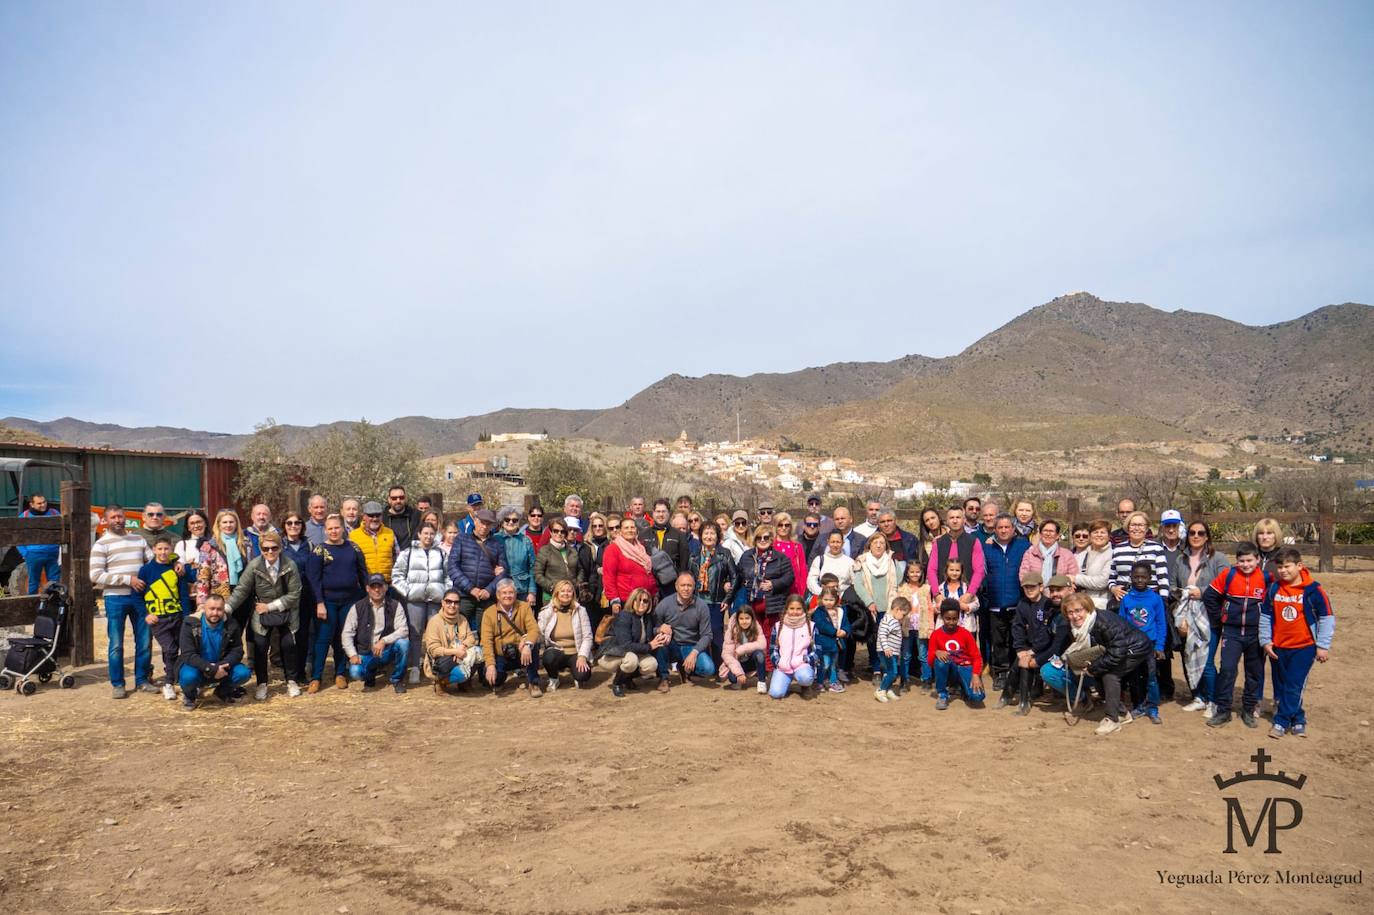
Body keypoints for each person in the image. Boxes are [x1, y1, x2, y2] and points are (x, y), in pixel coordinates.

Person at [1261, 547, 1335, 739]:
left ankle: (1281, 721)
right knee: (1281, 685)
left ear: (1299, 565)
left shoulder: (1313, 590)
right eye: (1280, 567)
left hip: (1304, 647)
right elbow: (1266, 615)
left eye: (1287, 566)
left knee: (1294, 684)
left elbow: (1327, 618)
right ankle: (1299, 719)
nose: (1283, 571)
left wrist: (1322, 646)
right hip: (1278, 647)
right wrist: (1266, 640)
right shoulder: (1274, 589)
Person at [1060, 591, 1153, 735]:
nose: (1075, 616)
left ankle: (1113, 719)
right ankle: (1122, 713)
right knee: (1099, 673)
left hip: (1136, 647)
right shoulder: (1080, 626)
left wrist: (1094, 667)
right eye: (1070, 612)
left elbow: (1117, 654)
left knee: (1110, 674)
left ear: (1088, 608)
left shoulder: (1103, 622)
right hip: (1117, 649)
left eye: (1078, 610)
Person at [227, 531, 303, 701]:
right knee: (260, 647)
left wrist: (269, 606)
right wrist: (226, 608)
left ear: (280, 548)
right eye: (265, 548)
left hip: (285, 610)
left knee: (288, 645)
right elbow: (241, 590)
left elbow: (295, 593)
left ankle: (291, 680)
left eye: (274, 548)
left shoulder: (290, 565)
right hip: (261, 613)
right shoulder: (254, 566)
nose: (270, 552)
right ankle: (262, 683)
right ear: (260, 549)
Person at [91, 504, 155, 699]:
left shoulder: (138, 539)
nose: (118, 520)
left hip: (140, 598)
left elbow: (152, 561)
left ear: (125, 518)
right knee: (116, 644)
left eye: (120, 517)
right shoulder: (101, 544)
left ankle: (142, 680)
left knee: (144, 641)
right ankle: (118, 683)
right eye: (113, 518)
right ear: (105, 520)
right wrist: (128, 579)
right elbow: (95, 575)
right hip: (115, 598)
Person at [1203, 543, 1269, 729]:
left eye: (1250, 560)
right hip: (1231, 633)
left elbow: (1273, 602)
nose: (1246, 565)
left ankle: (1248, 710)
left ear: (1258, 559)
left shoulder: (1266, 578)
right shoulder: (1229, 575)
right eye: (1242, 561)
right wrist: (1219, 618)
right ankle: (1223, 710)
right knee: (1227, 670)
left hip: (1255, 634)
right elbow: (1209, 596)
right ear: (1236, 561)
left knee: (1254, 672)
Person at [1173, 521, 1229, 714]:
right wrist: (1181, 613)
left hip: (1209, 615)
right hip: (1186, 613)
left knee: (1207, 659)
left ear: (1207, 537)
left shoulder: (1218, 558)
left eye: (1200, 533)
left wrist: (1202, 592)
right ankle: (1199, 696)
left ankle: (1214, 700)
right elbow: (1173, 586)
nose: (1196, 536)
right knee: (1190, 656)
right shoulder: (1181, 559)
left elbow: (1226, 584)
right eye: (1192, 533)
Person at [311, 514, 369, 692]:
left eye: (337, 527)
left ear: (343, 528)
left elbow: (362, 573)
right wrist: (319, 602)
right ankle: (316, 677)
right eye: (330, 528)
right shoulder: (319, 550)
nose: (333, 531)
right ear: (325, 530)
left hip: (350, 600)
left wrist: (366, 593)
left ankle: (340, 673)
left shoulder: (353, 548)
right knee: (323, 638)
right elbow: (314, 579)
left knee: (343, 637)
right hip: (327, 600)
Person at [979, 514, 1031, 693]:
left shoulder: (1024, 546)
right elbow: (982, 572)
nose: (1003, 530)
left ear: (1013, 528)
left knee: (1017, 640)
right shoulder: (987, 548)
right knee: (998, 640)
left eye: (1007, 527)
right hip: (994, 602)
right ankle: (1000, 673)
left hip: (1017, 603)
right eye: (999, 527)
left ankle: (1015, 674)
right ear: (995, 529)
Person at [393, 522, 448, 685]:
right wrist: (408, 591)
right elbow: (397, 575)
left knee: (434, 635)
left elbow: (448, 575)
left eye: (431, 533)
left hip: (435, 600)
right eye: (425, 533)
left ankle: (433, 667)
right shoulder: (408, 553)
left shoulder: (441, 553)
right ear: (419, 534)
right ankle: (415, 667)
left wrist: (444, 592)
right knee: (415, 634)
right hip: (415, 600)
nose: (428, 536)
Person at [176, 594, 252, 709]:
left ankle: (222, 691)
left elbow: (237, 651)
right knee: (188, 676)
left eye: (219, 609)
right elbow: (188, 654)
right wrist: (210, 669)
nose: (215, 613)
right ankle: (190, 696)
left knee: (243, 673)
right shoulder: (190, 624)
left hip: (222, 668)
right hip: (197, 667)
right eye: (211, 609)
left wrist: (219, 666)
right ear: (204, 609)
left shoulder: (231, 624)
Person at [1010, 574, 1071, 715]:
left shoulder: (1068, 611)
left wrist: (1035, 660)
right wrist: (1028, 650)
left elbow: (1057, 647)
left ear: (1070, 589)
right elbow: (1045, 634)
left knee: (1043, 669)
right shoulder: (1053, 610)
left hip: (1072, 658)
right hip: (1055, 653)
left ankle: (1081, 698)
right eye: (1053, 590)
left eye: (1059, 590)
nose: (1055, 594)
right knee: (1024, 659)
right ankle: (1022, 700)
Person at [139, 534, 191, 701]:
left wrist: (186, 615)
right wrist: (146, 614)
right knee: (170, 649)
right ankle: (168, 683)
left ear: (171, 549)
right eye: (159, 549)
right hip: (158, 619)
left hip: (176, 616)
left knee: (178, 649)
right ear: (153, 550)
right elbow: (136, 595)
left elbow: (183, 594)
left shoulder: (176, 569)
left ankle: (176, 679)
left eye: (166, 549)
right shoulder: (146, 570)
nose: (163, 552)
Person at [342, 574, 410, 693]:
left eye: (380, 586)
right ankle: (370, 676)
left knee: (404, 644)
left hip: (387, 651)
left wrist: (384, 641)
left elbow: (403, 630)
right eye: (373, 587)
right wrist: (352, 654)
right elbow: (347, 633)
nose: (377, 590)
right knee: (355, 673)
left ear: (386, 588)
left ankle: (397, 679)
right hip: (366, 652)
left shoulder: (395, 605)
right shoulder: (358, 607)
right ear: (368, 588)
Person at [1119, 560, 1168, 724]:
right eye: (1136, 577)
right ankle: (1138, 705)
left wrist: (1160, 646)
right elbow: (1121, 623)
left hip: (1150, 645)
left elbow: (1161, 623)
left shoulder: (1155, 599)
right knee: (1134, 677)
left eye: (1143, 577)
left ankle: (1153, 708)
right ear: (1131, 577)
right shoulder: (1126, 599)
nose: (1140, 580)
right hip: (1132, 646)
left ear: (1150, 578)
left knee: (1151, 676)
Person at [735, 525, 795, 657]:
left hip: (772, 604)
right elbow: (738, 575)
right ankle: (758, 664)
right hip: (752, 603)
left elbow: (789, 577)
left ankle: (770, 665)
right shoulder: (747, 556)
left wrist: (774, 584)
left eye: (766, 537)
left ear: (771, 539)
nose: (762, 540)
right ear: (754, 539)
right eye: (759, 538)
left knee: (770, 635)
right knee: (754, 635)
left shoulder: (780, 558)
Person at [854, 532, 906, 681]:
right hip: (870, 607)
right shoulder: (861, 561)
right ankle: (876, 669)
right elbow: (858, 584)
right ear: (869, 544)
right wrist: (869, 602)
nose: (878, 545)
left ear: (886, 546)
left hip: (889, 607)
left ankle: (887, 669)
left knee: (889, 639)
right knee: (873, 639)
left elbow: (898, 581)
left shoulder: (892, 561)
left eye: (882, 543)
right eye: (875, 542)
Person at [651, 572, 716, 690]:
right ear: (676, 586)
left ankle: (686, 669)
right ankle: (664, 678)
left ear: (694, 587)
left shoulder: (701, 606)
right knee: (661, 641)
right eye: (683, 585)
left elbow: (707, 635)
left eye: (689, 585)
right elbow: (652, 627)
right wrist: (659, 629)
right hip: (672, 645)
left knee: (708, 669)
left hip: (691, 646)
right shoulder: (665, 604)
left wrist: (694, 653)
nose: (686, 589)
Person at [280, 511, 322, 689]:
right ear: (284, 526)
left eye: (297, 523)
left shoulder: (310, 545)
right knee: (287, 637)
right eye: (289, 523)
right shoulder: (279, 546)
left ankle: (301, 672)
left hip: (306, 597)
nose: (293, 526)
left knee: (304, 635)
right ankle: (289, 673)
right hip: (286, 596)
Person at [479, 579, 542, 695]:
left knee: (534, 645)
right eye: (504, 593)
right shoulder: (489, 613)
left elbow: (534, 629)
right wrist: (490, 665)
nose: (508, 596)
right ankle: (498, 681)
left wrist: (528, 644)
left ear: (515, 594)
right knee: (493, 679)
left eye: (511, 592)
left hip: (522, 652)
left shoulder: (524, 607)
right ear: (498, 595)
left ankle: (534, 683)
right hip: (501, 655)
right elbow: (486, 642)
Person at [447, 508, 506, 632]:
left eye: (488, 523)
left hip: (487, 597)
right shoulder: (461, 539)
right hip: (464, 595)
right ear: (475, 521)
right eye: (482, 522)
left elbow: (503, 572)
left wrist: (489, 590)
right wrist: (470, 588)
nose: (484, 526)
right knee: (458, 631)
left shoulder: (497, 544)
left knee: (486, 633)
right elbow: (452, 567)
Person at [596, 587, 663, 697]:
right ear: (632, 601)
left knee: (651, 664)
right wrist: (649, 646)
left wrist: (663, 632)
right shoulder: (624, 616)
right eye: (638, 600)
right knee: (631, 660)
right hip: (612, 655)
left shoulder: (648, 617)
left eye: (645, 601)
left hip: (633, 652)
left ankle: (627, 678)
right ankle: (617, 683)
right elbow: (625, 645)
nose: (641, 603)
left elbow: (654, 631)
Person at [925, 506, 986, 616]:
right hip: (943, 595)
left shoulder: (973, 541)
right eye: (951, 517)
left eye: (958, 517)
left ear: (964, 520)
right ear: (947, 521)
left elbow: (979, 571)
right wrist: (937, 594)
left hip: (965, 596)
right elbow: (931, 570)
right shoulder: (938, 543)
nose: (955, 520)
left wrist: (970, 593)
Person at [692, 522, 737, 665]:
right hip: (697, 601)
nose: (709, 536)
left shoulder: (724, 554)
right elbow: (689, 577)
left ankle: (719, 665)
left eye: (712, 533)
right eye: (706, 533)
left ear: (718, 537)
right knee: (699, 633)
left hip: (717, 601)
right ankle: (704, 665)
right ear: (701, 536)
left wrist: (728, 598)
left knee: (716, 633)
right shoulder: (694, 555)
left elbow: (735, 577)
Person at [537, 579, 594, 690]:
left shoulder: (581, 611)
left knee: (583, 675)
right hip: (557, 651)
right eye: (562, 591)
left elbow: (588, 636)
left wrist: (582, 656)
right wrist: (528, 638)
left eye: (569, 591)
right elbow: (538, 632)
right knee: (548, 658)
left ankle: (576, 674)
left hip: (576, 652)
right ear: (557, 593)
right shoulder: (547, 611)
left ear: (573, 593)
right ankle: (554, 678)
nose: (566, 594)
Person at [931, 598, 986, 710]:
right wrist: (936, 652)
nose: (951, 622)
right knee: (941, 663)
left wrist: (975, 674)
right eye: (948, 619)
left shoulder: (965, 634)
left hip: (965, 667)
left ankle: (962, 688)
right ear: (942, 617)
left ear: (959, 617)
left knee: (977, 697)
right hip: (949, 668)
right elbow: (930, 661)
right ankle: (942, 694)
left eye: (954, 619)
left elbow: (976, 657)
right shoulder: (936, 635)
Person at [424, 589, 483, 692]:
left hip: (460, 653)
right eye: (449, 602)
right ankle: (441, 682)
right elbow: (433, 650)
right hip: (442, 660)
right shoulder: (434, 621)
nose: (452, 605)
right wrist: (454, 652)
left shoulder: (462, 619)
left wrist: (462, 646)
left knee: (480, 653)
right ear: (442, 603)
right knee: (462, 674)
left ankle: (464, 683)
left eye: (456, 602)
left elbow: (471, 638)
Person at [1108, 512, 1170, 608]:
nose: (1136, 528)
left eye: (1141, 525)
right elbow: (1112, 577)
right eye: (1133, 525)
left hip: (1149, 601)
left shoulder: (1156, 548)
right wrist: (1113, 589)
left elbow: (1163, 579)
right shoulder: (1118, 549)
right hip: (1124, 600)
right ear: (1128, 527)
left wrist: (1163, 602)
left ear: (1146, 528)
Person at [195, 509, 254, 609]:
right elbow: (203, 576)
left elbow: (252, 569)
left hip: (243, 594)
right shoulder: (209, 546)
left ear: (236, 524)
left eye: (231, 522)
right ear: (219, 524)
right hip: (219, 596)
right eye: (224, 522)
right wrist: (202, 601)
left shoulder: (246, 543)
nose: (228, 525)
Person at [602, 517, 658, 615]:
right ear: (620, 531)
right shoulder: (613, 549)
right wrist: (614, 600)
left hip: (644, 599)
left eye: (632, 527)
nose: (630, 530)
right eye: (626, 528)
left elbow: (648, 572)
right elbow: (609, 576)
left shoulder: (641, 548)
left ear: (636, 530)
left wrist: (654, 592)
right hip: (626, 600)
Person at [769, 594, 818, 700]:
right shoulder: (778, 626)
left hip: (801, 665)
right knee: (775, 693)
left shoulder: (811, 626)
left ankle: (805, 686)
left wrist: (807, 659)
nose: (795, 612)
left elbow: (817, 649)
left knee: (805, 678)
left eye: (798, 609)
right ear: (786, 609)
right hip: (783, 667)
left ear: (804, 609)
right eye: (791, 608)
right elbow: (773, 649)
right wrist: (777, 661)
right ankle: (783, 681)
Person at [897, 561, 934, 690]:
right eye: (912, 572)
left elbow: (930, 608)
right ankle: (904, 680)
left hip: (921, 626)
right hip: (906, 626)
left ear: (921, 573)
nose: (915, 574)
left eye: (917, 572)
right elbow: (897, 608)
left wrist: (930, 627)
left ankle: (926, 679)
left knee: (923, 655)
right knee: (906, 655)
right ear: (907, 573)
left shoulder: (926, 588)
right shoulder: (901, 588)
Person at [639, 499, 690, 587]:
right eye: (658, 511)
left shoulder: (679, 535)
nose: (661, 515)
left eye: (663, 511)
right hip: (649, 583)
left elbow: (684, 563)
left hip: (672, 584)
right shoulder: (643, 535)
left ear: (669, 513)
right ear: (653, 513)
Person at [535, 519, 585, 608]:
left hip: (570, 596)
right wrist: (552, 587)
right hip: (551, 597)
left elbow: (580, 569)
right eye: (556, 531)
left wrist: (577, 583)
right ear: (550, 532)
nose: (559, 534)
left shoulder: (572, 550)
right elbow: (537, 575)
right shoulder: (545, 550)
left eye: (562, 531)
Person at [18, 493, 61, 594]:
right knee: (33, 582)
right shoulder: (24, 516)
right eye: (39, 503)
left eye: (44, 502)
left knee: (54, 582)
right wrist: (25, 553)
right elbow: (17, 537)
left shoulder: (54, 513)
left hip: (52, 553)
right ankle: (31, 607)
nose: (43, 505)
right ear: (32, 504)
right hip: (34, 554)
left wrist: (58, 548)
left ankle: (53, 606)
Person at [494, 506, 537, 606]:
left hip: (521, 589)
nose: (511, 522)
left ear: (518, 522)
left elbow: (533, 567)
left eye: (514, 520)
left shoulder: (526, 541)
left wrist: (532, 591)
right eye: (507, 519)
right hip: (501, 588)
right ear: (502, 521)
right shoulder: (495, 539)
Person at [720, 605, 769, 692]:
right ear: (738, 620)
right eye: (741, 619)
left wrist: (743, 648)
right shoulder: (731, 631)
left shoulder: (756, 627)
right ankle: (740, 679)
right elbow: (727, 655)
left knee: (759, 654)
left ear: (752, 618)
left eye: (747, 618)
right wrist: (739, 673)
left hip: (751, 660)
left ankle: (761, 682)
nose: (744, 621)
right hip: (737, 662)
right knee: (732, 678)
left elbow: (762, 644)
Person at [1018, 518, 1080, 586]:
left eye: (1051, 531)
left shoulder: (1067, 555)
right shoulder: (1030, 553)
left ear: (1057, 536)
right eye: (1045, 531)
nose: (1048, 534)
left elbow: (1073, 576)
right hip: (1036, 594)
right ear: (1040, 534)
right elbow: (1023, 575)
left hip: (1060, 594)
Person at [873, 595, 909, 703]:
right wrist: (886, 648)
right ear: (897, 609)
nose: (903, 617)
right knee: (892, 672)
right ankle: (881, 690)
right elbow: (882, 634)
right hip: (887, 651)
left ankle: (887, 689)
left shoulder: (894, 620)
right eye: (903, 614)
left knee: (891, 672)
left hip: (892, 652)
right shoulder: (888, 620)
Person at [810, 587, 847, 692]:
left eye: (831, 600)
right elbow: (821, 625)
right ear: (821, 599)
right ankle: (820, 682)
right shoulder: (819, 611)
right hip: (823, 643)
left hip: (835, 643)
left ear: (836, 600)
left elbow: (845, 623)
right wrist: (834, 631)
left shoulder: (840, 611)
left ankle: (832, 682)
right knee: (824, 664)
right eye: (826, 600)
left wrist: (844, 631)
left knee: (833, 664)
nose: (829, 602)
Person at [350, 501, 398, 581]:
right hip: (364, 584)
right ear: (364, 516)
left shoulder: (390, 533)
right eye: (371, 515)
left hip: (387, 584)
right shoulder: (353, 536)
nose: (375, 518)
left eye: (378, 515)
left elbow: (398, 558)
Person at [1072, 520, 1113, 610]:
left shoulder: (1111, 554)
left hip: (1100, 603)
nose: (1099, 535)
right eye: (1095, 532)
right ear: (1090, 535)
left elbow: (1102, 582)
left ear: (1109, 536)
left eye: (1103, 532)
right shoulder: (1083, 553)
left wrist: (1076, 578)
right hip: (1080, 602)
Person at [771, 512, 808, 597]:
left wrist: (803, 592)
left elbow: (803, 571)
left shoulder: (797, 546)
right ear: (775, 527)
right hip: (776, 589)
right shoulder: (771, 545)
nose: (783, 528)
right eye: (780, 525)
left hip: (795, 589)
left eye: (787, 525)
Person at [807, 530, 855, 596]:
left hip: (843, 601)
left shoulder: (850, 562)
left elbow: (855, 583)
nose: (835, 545)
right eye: (833, 542)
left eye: (838, 542)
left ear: (843, 543)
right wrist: (823, 593)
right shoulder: (819, 560)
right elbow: (811, 581)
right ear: (828, 542)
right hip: (822, 599)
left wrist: (843, 596)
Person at [174, 510, 210, 578]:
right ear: (188, 527)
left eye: (199, 522)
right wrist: (186, 564)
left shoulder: (214, 543)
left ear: (205, 523)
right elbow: (179, 565)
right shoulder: (182, 545)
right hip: (191, 586)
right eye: (192, 523)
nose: (196, 526)